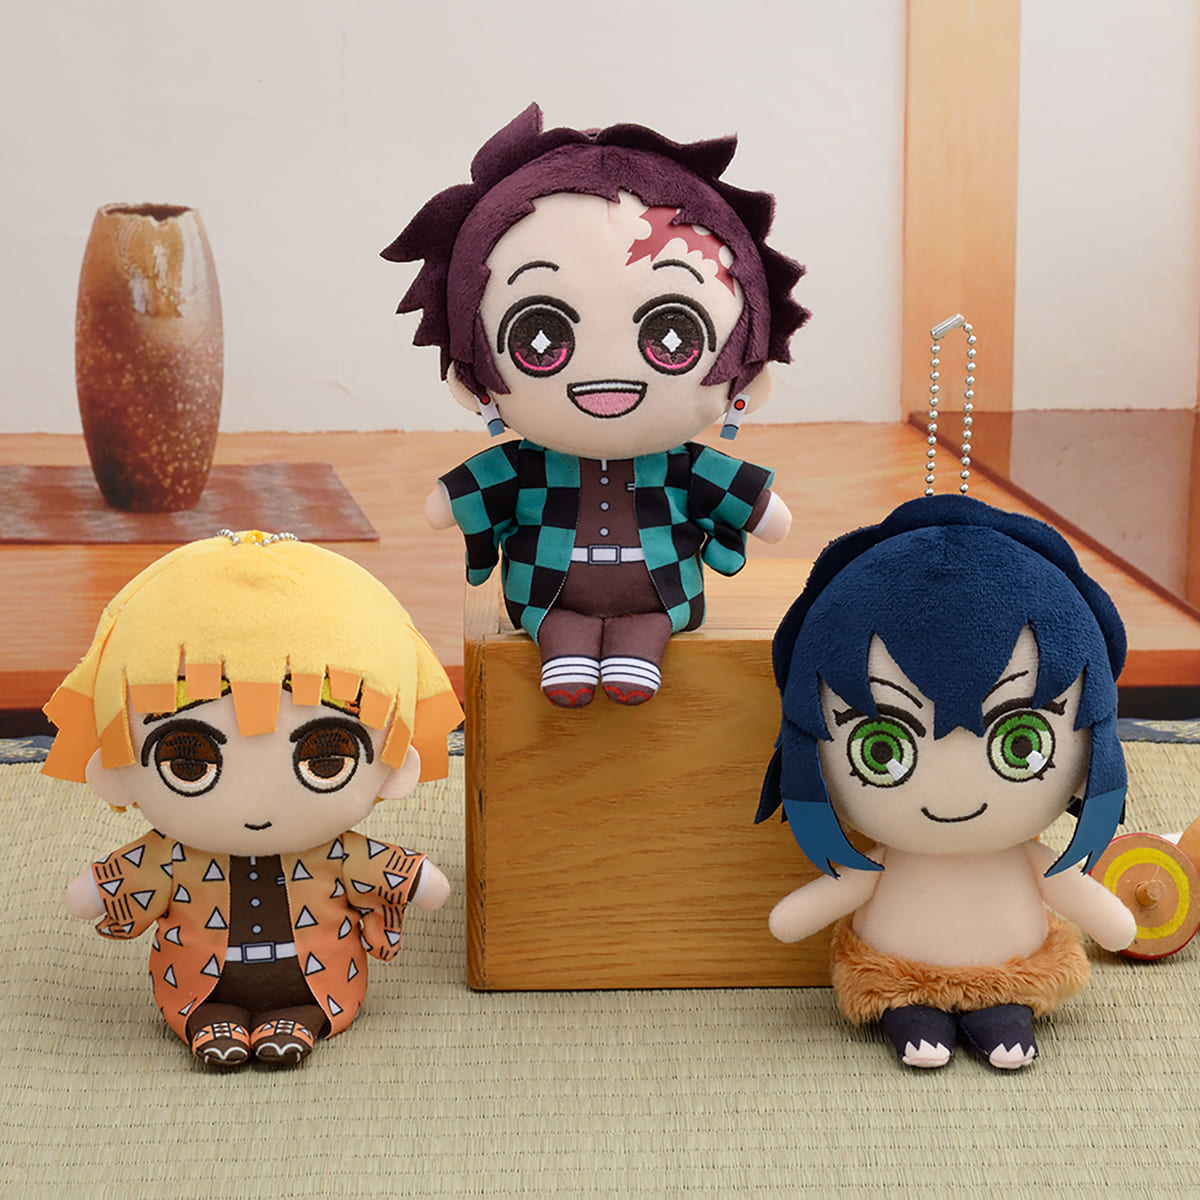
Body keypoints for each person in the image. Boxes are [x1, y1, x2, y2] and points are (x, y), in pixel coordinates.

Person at [384, 103, 807, 707]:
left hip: (661, 596)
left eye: (672, 335)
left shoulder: (683, 467)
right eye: (540, 336)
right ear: (469, 376)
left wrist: (758, 509)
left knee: (649, 622)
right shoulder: (528, 466)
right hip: (547, 595)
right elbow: (463, 494)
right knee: (557, 623)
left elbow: (760, 510)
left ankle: (639, 642)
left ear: (748, 373)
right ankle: (563, 643)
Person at [43, 530, 462, 1068]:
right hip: (194, 984)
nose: (256, 806)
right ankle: (207, 1018)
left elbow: (407, 878)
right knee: (203, 1006)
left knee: (309, 1002)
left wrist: (418, 881)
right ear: (116, 770)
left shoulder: (332, 854)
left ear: (394, 765)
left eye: (326, 757)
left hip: (322, 982)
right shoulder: (172, 856)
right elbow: (108, 887)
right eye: (188, 761)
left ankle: (303, 1016)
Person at [757, 495, 1137, 1069]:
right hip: (897, 975)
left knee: (1004, 1010)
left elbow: (1105, 919)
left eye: (1021, 744)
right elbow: (804, 914)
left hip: (1012, 971)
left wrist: (1118, 924)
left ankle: (1002, 1012)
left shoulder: (1022, 858)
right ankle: (913, 1014)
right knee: (910, 1011)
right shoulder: (891, 860)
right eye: (882, 749)